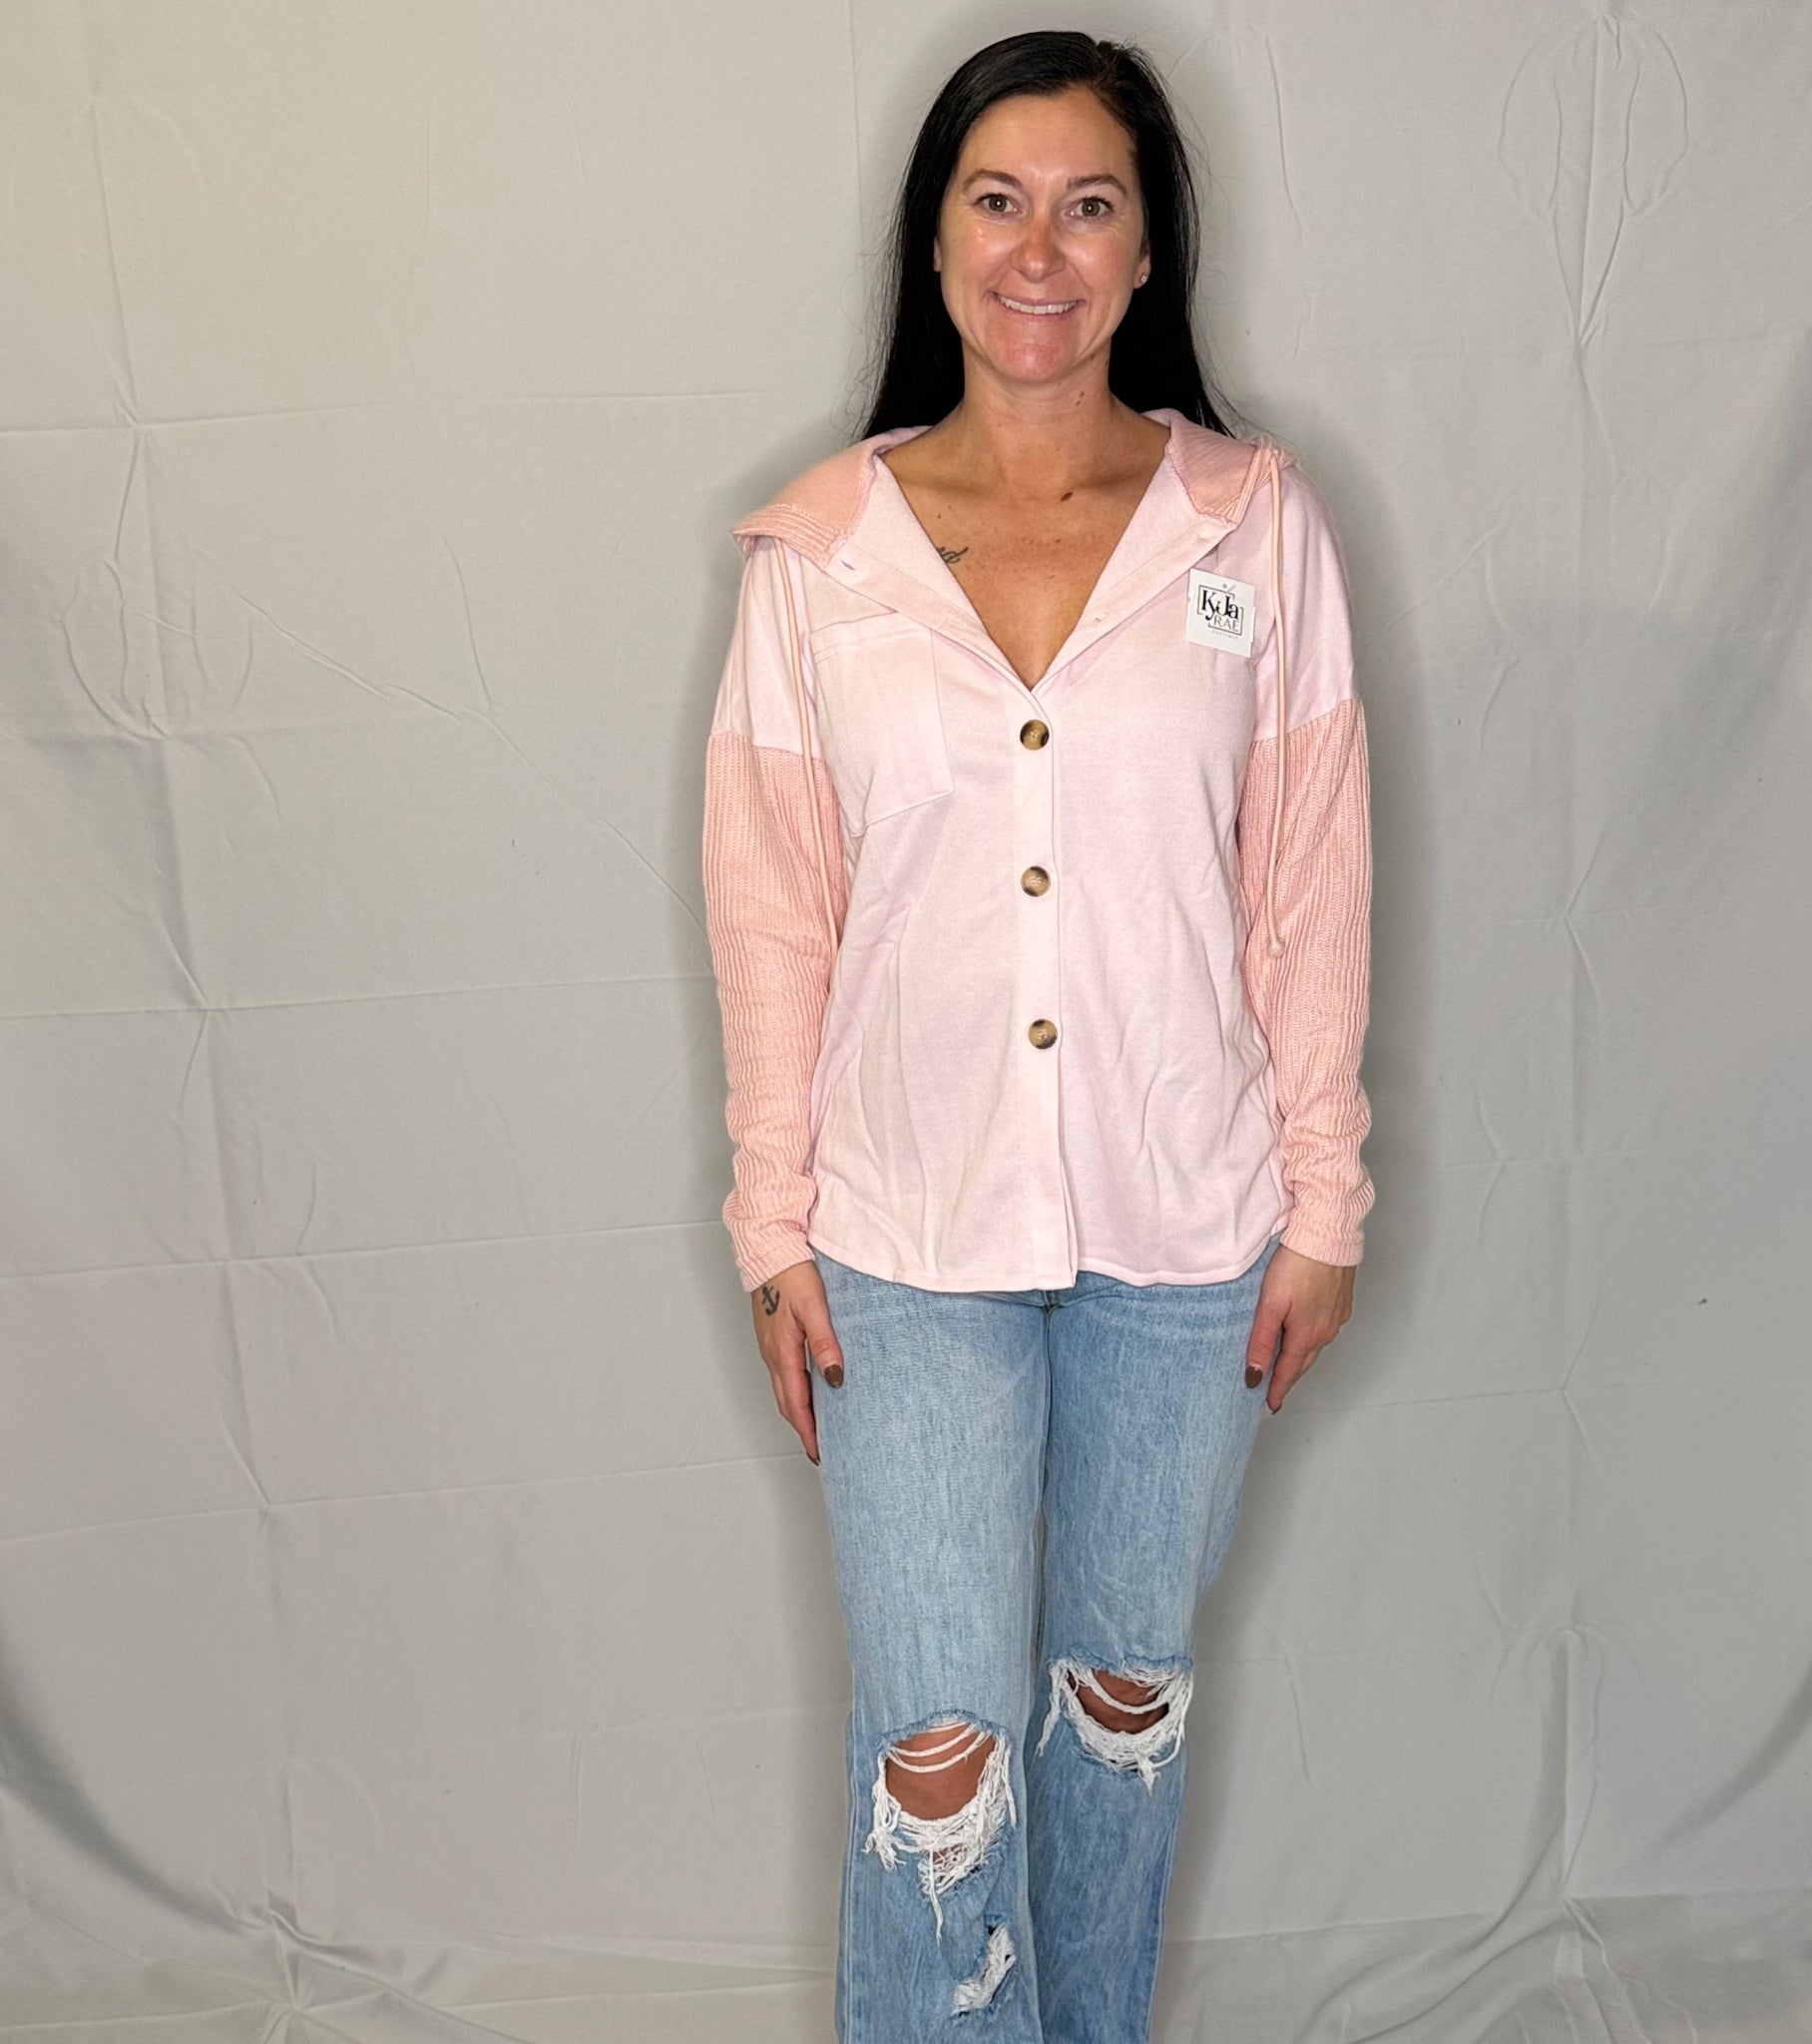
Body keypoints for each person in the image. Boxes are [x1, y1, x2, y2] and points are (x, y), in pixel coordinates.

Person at [699, 28, 1374, 2039]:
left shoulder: (1251, 529)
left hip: (1192, 1219)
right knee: (940, 1746)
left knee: (1119, 1713)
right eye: (997, 200)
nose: (1040, 250)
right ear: (933, 241)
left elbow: (1308, 878)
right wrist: (771, 1217)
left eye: (1090, 205)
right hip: (902, 1231)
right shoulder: (822, 555)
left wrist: (1323, 1199)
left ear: (1150, 249)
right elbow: (770, 905)